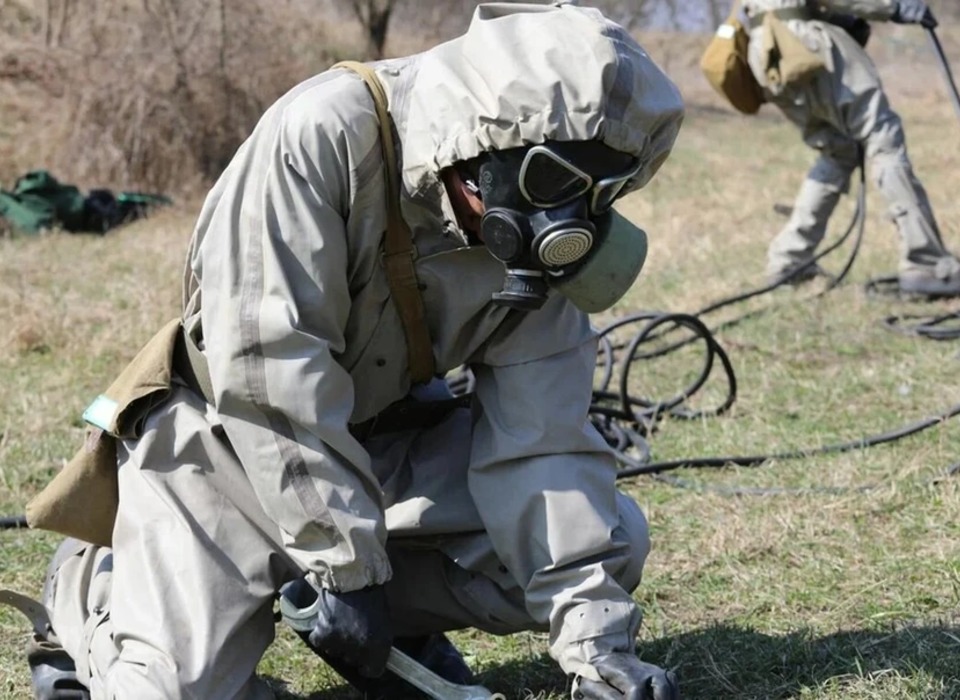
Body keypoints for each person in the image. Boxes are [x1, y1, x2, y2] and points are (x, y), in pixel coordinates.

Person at [19, 3, 686, 699]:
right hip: (221, 452)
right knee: (164, 692)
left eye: (598, 195)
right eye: (551, 183)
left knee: (610, 537)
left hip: (381, 447)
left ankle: (391, 621)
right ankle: (98, 589)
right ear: (484, 140)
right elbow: (269, 374)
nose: (567, 225)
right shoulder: (320, 136)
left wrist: (596, 648)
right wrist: (347, 568)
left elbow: (543, 446)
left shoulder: (535, 243)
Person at [741, 0, 960, 295]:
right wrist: (894, 7)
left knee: (837, 151)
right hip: (807, 43)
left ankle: (789, 262)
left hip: (765, 52)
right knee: (883, 139)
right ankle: (926, 262)